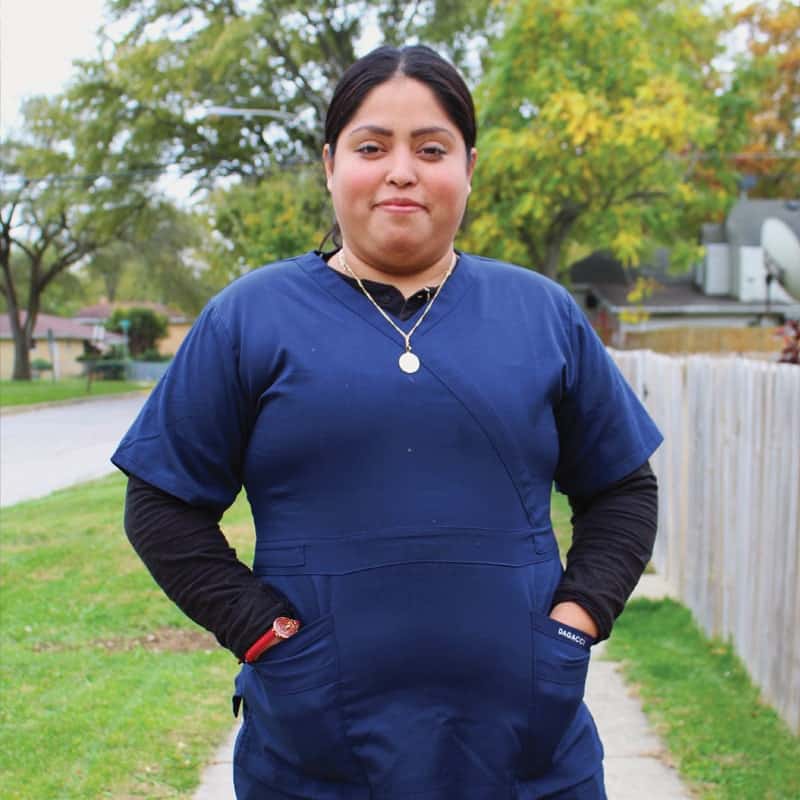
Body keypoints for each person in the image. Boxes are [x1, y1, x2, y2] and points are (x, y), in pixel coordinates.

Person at [112, 44, 661, 800]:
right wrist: (260, 632)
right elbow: (161, 503)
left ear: (469, 166)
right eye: (372, 147)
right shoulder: (250, 318)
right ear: (330, 164)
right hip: (313, 757)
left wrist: (576, 621)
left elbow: (623, 489)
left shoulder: (542, 315)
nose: (402, 171)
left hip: (530, 755)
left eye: (431, 149)